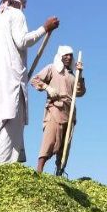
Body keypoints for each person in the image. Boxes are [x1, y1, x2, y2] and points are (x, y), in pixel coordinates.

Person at [0, 0, 59, 163]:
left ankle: (13, 159)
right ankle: (5, 167)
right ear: (19, 3)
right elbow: (22, 41)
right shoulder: (16, 15)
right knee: (11, 121)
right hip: (11, 78)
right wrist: (44, 28)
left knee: (4, 122)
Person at [30, 45, 85, 174]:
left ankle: (59, 171)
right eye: (65, 55)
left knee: (65, 144)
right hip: (55, 108)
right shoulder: (52, 68)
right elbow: (35, 80)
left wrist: (80, 74)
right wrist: (47, 88)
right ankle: (39, 170)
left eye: (70, 55)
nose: (68, 57)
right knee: (50, 138)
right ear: (60, 56)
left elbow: (80, 92)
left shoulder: (73, 75)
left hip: (69, 112)